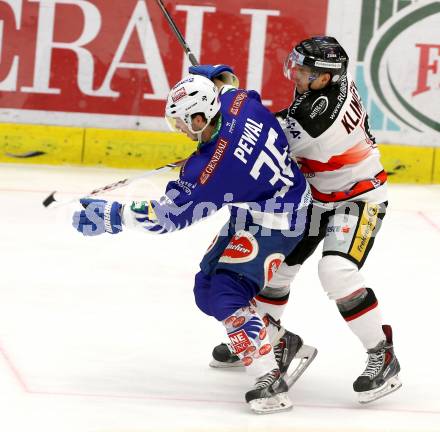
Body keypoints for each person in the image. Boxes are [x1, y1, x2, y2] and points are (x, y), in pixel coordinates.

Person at [72, 73, 314, 414]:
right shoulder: (238, 102)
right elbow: (224, 79)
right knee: (206, 289)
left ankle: (271, 380)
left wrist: (115, 216)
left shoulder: (211, 171)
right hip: (263, 204)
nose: (180, 129)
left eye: (183, 122)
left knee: (225, 293)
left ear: (200, 118)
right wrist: (207, 76)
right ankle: (278, 341)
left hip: (282, 220)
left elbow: (168, 217)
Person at [201, 36, 401, 404]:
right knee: (275, 270)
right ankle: (265, 338)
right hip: (315, 197)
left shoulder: (317, 121)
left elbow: (261, 135)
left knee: (337, 272)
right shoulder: (328, 87)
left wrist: (219, 103)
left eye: (305, 71)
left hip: (357, 199)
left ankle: (381, 353)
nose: (297, 75)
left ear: (325, 78)